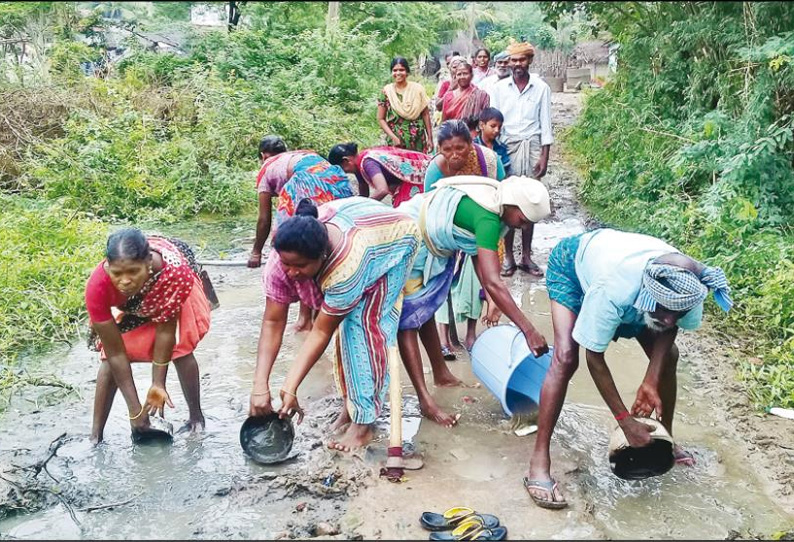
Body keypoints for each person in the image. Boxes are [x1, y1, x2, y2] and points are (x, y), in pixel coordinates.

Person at [525, 228, 733, 510]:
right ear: (650, 294)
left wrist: (650, 380)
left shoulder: (688, 290)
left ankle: (666, 438)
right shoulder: (615, 287)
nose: (671, 320)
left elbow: (671, 330)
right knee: (565, 359)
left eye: (678, 312)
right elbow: (594, 356)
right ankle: (539, 460)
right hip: (573, 269)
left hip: (632, 288)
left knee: (668, 356)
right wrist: (624, 420)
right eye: (665, 310)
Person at [251, 197, 420, 452]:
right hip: (359, 222)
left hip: (396, 240)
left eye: (300, 266)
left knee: (363, 325)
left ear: (322, 257)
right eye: (287, 264)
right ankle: (350, 406)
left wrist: (290, 386)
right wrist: (259, 385)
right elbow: (273, 321)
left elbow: (321, 330)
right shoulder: (281, 260)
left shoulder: (345, 267)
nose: (291, 272)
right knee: (346, 324)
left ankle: (363, 423)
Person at [396, 176, 552, 419]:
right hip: (410, 234)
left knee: (424, 310)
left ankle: (441, 373)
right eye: (522, 220)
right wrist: (529, 331)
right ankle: (425, 401)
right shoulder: (488, 217)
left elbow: (478, 257)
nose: (522, 227)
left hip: (432, 243)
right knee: (409, 320)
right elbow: (492, 279)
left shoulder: (499, 214)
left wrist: (492, 298)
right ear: (512, 205)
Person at [85, 229, 212, 443]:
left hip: (171, 293)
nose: (125, 281)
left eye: (133, 272)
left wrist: (158, 384)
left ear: (148, 263)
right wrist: (136, 413)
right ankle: (95, 436)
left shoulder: (174, 275)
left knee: (181, 349)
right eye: (117, 274)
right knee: (108, 359)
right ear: (107, 266)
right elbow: (116, 353)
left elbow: (166, 332)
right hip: (136, 304)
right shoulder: (97, 287)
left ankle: (196, 419)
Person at [249, 135, 353, 331]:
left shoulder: (267, 168)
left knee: (296, 245)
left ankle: (305, 321)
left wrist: (256, 252)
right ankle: (317, 315)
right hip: (335, 178)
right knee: (319, 244)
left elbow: (264, 219)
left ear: (263, 156)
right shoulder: (299, 155)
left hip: (307, 182)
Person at [424, 120, 505, 357]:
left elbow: (500, 196)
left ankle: (471, 333)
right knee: (440, 275)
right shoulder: (436, 168)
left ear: (471, 143)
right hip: (444, 228)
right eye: (447, 149)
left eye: (460, 148)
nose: (454, 154)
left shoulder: (489, 161)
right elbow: (428, 205)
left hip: (479, 228)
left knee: (475, 277)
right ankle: (443, 337)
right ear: (439, 149)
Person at [489, 41, 553, 279]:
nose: (517, 65)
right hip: (506, 147)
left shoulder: (541, 88)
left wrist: (544, 156)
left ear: (529, 61)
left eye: (521, 60)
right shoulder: (499, 89)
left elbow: (546, 123)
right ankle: (508, 257)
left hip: (532, 146)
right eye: (513, 60)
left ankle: (526, 256)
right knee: (507, 201)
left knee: (531, 202)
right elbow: (493, 122)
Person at [328, 142, 429, 207]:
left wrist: (365, 206)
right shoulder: (358, 164)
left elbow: (382, 190)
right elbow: (364, 192)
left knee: (406, 211)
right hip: (404, 181)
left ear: (346, 161)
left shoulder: (368, 163)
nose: (344, 172)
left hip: (416, 176)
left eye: (341, 168)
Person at [377, 57, 434, 153]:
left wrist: (430, 138)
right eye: (395, 70)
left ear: (407, 72)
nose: (398, 73)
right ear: (391, 72)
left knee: (419, 166)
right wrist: (393, 137)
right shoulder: (387, 92)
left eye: (401, 70)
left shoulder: (417, 89)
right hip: (397, 141)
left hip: (418, 139)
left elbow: (425, 114)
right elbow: (381, 119)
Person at [440, 60, 490, 124]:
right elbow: (444, 121)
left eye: (465, 73)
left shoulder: (481, 95)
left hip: (473, 132)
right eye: (459, 74)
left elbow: (485, 119)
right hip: (452, 132)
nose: (462, 77)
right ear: (455, 77)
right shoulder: (448, 96)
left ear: (471, 75)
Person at [475, 107, 512, 176]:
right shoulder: (474, 146)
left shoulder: (501, 147)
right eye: (493, 126)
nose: (497, 130)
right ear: (481, 125)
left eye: (499, 127)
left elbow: (506, 171)